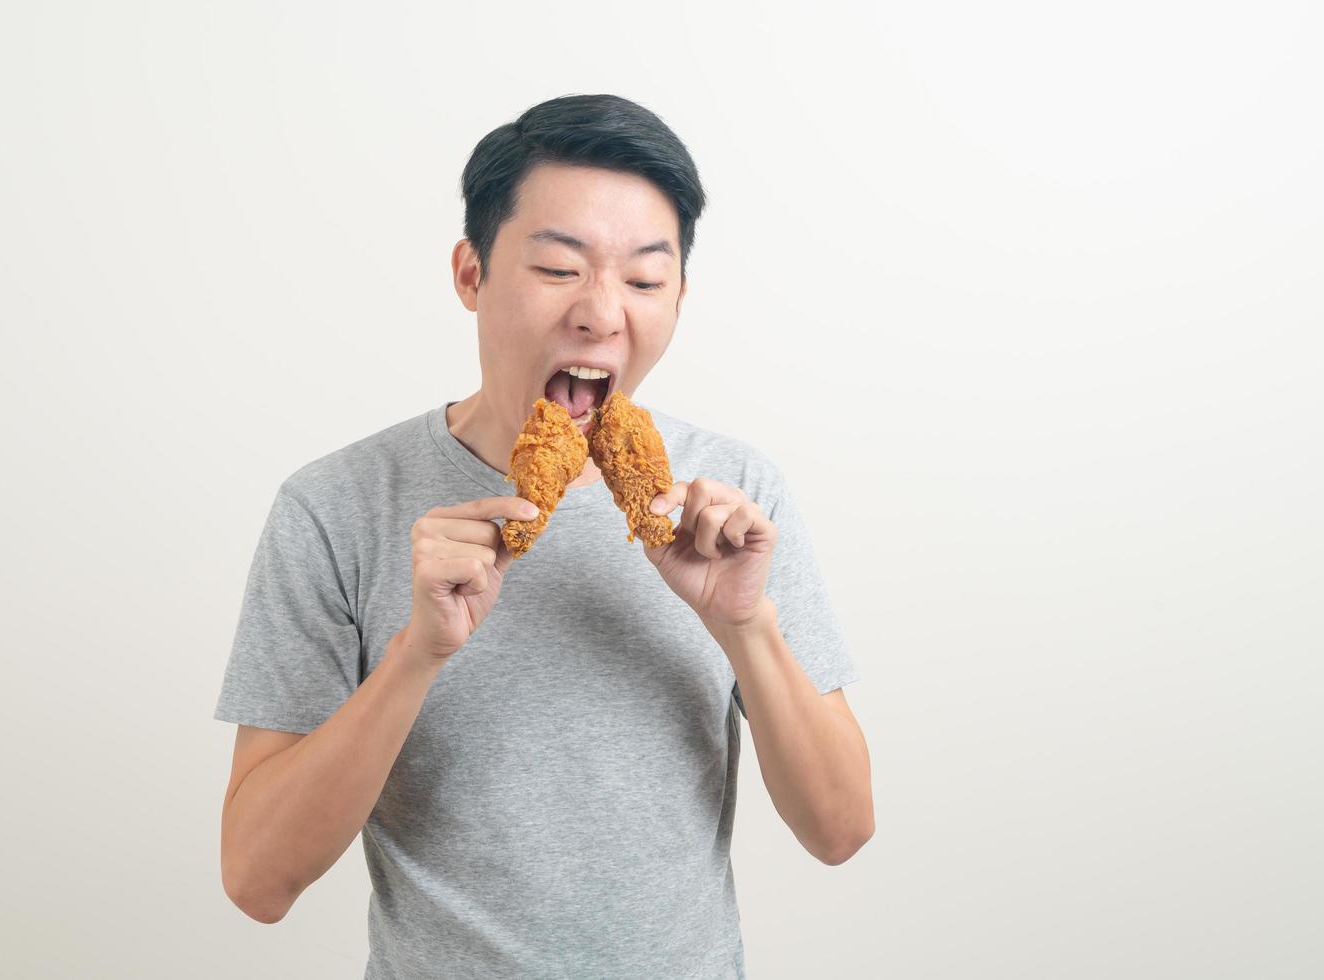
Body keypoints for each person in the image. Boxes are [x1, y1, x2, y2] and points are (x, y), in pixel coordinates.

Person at [213, 93, 874, 979]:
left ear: (679, 296)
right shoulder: (336, 506)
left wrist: (744, 627)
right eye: (561, 269)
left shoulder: (733, 502)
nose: (603, 314)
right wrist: (416, 654)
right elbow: (258, 879)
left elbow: (841, 830)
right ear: (470, 274)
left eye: (644, 279)